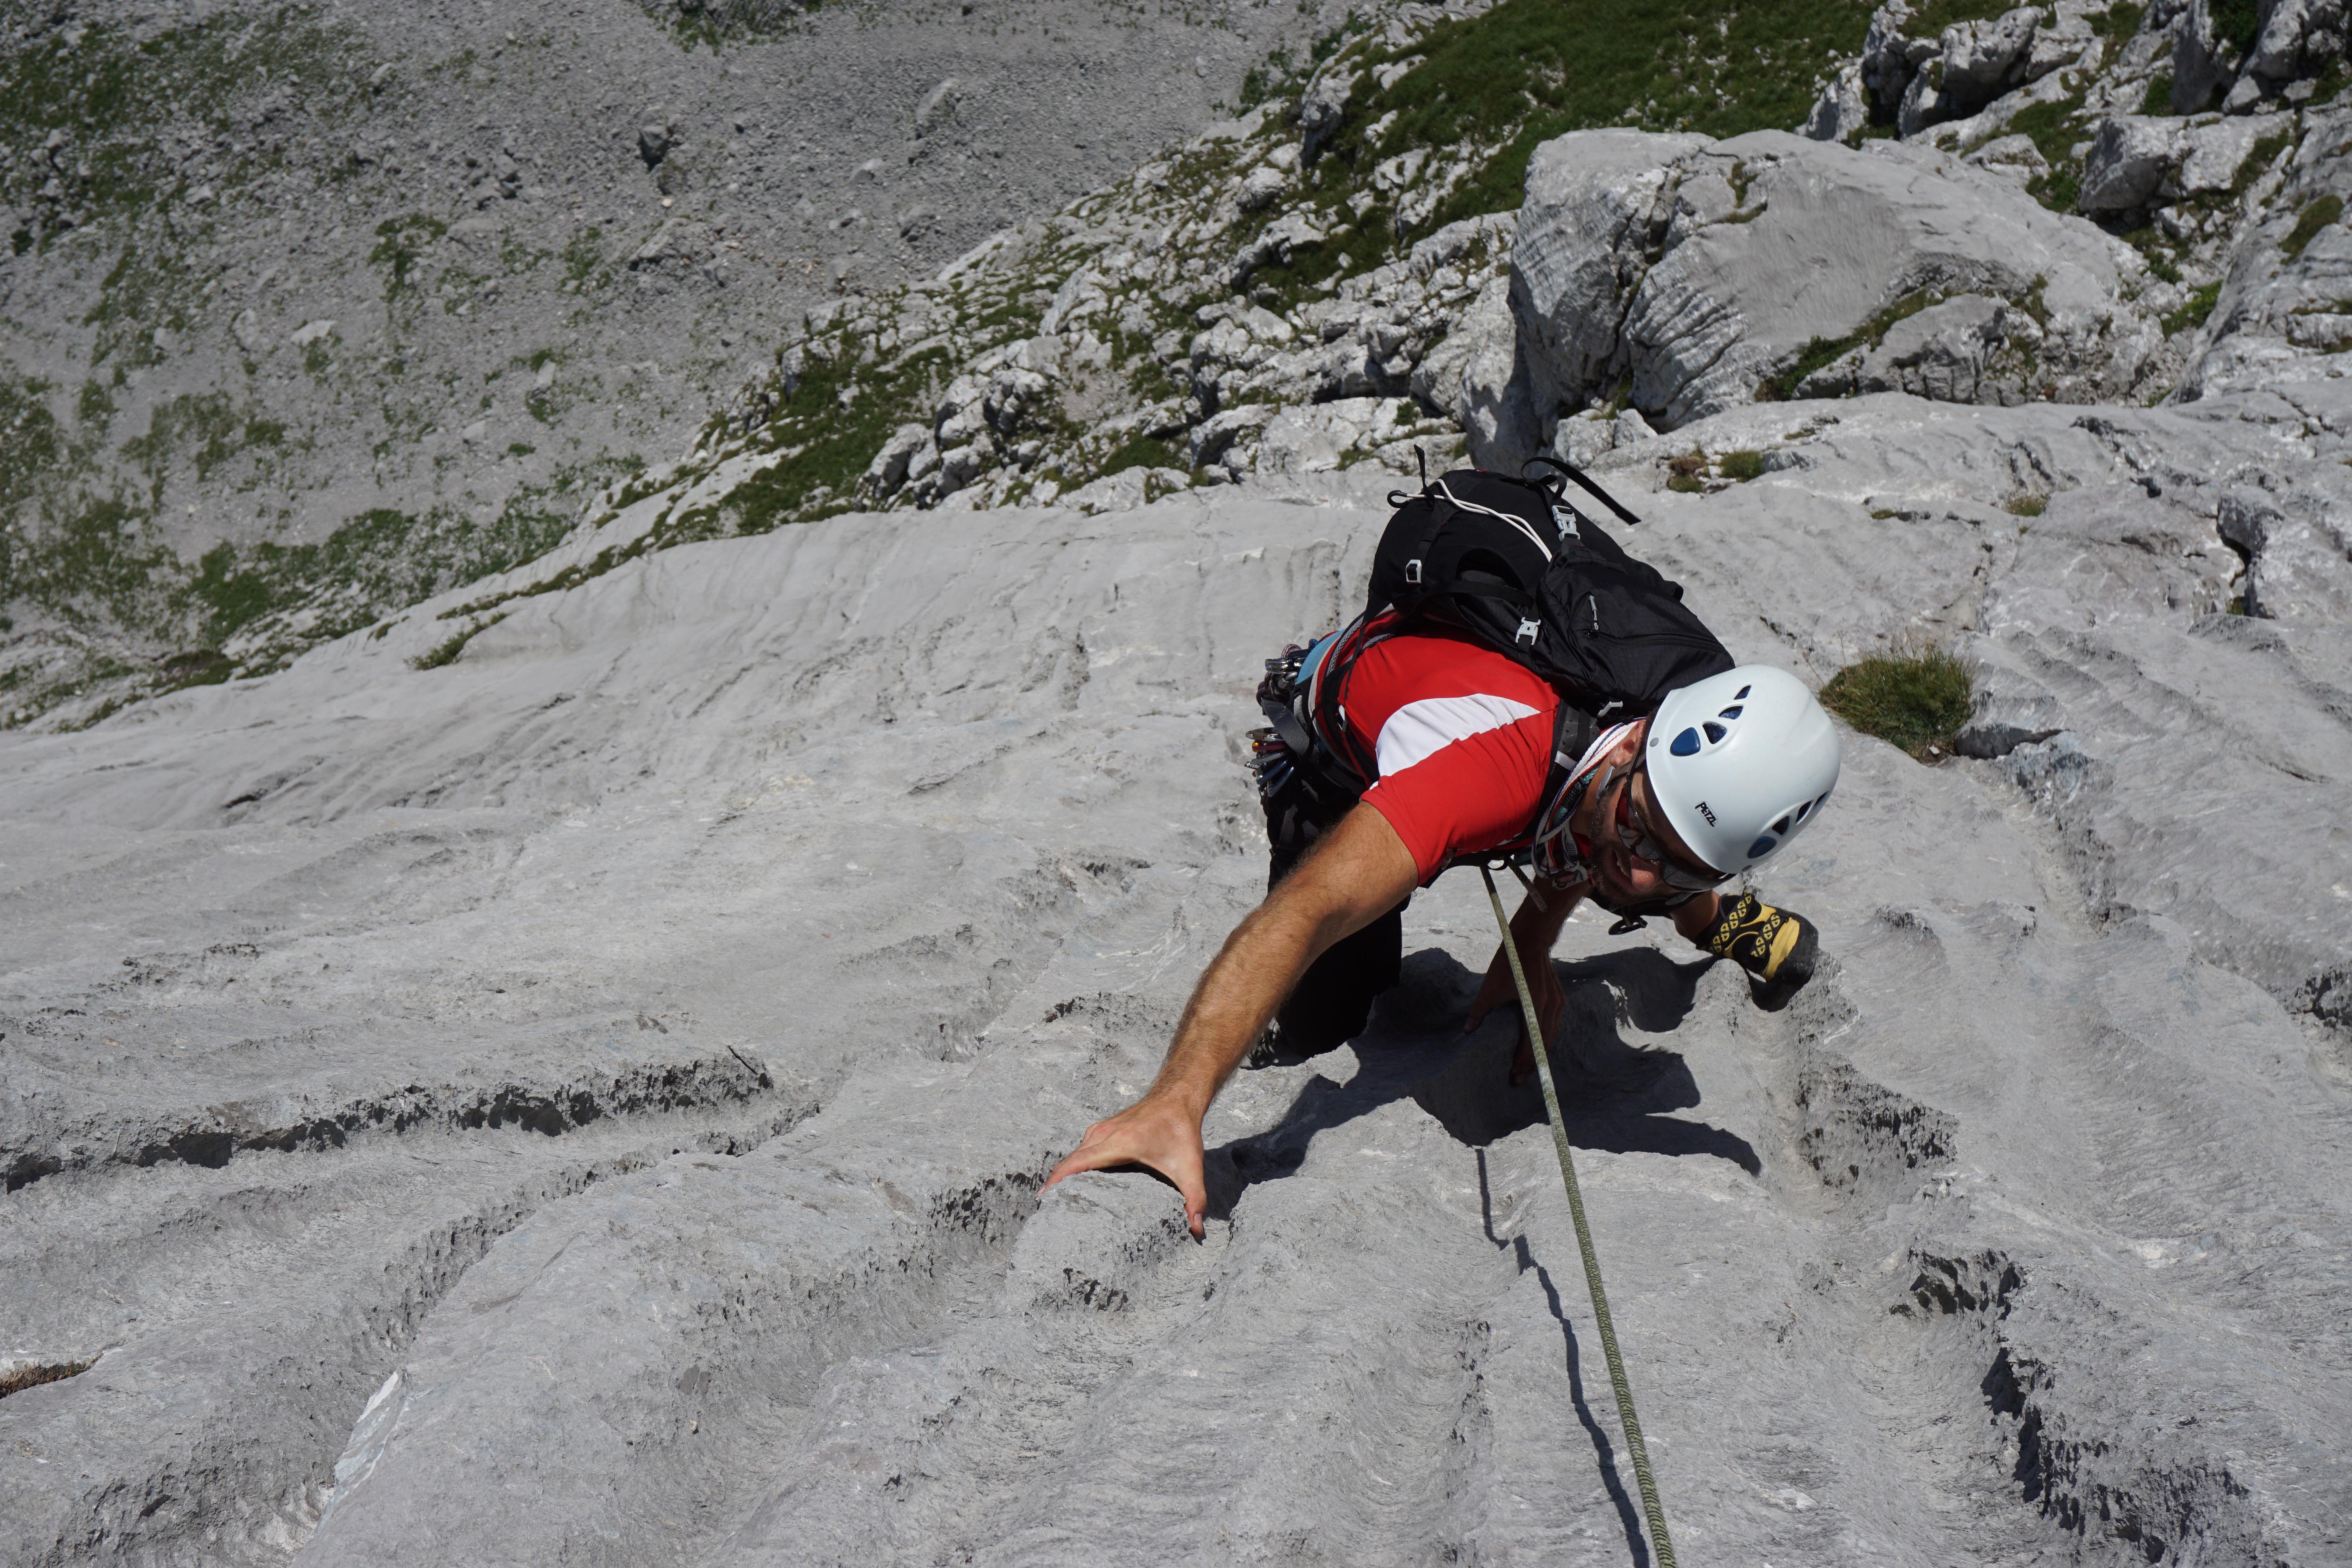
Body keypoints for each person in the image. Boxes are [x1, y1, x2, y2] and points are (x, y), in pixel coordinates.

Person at [1044, 609, 1840, 1239]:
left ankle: (1713, 916)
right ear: (1634, 740)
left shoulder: (1642, 765)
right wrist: (1175, 1102)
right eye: (1644, 825)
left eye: (1683, 860)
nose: (1637, 868)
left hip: (1554, 779)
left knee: (1629, 862)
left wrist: (1529, 944)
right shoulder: (1485, 773)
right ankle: (1697, 899)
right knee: (1325, 1017)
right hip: (1336, 743)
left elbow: (1589, 821)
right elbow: (1307, 909)